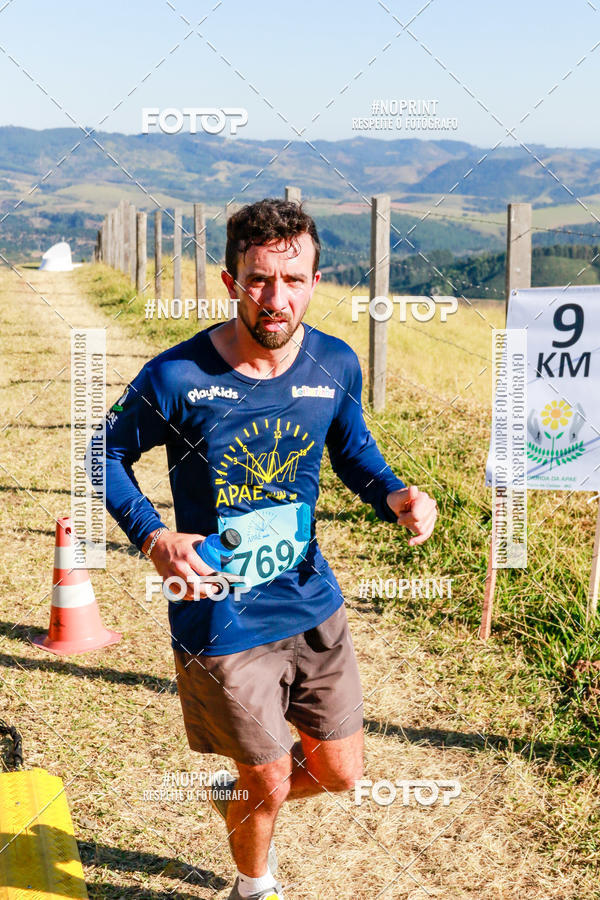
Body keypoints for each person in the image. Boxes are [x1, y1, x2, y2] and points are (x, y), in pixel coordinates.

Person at [94, 198, 437, 900]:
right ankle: (254, 881)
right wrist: (154, 536)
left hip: (309, 598)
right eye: (257, 280)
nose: (275, 299)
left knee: (340, 773)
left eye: (292, 280)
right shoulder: (176, 377)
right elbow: (99, 453)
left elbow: (352, 451)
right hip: (218, 611)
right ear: (230, 281)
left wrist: (394, 494)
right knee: (271, 774)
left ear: (316, 281)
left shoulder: (335, 363)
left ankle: (242, 800)